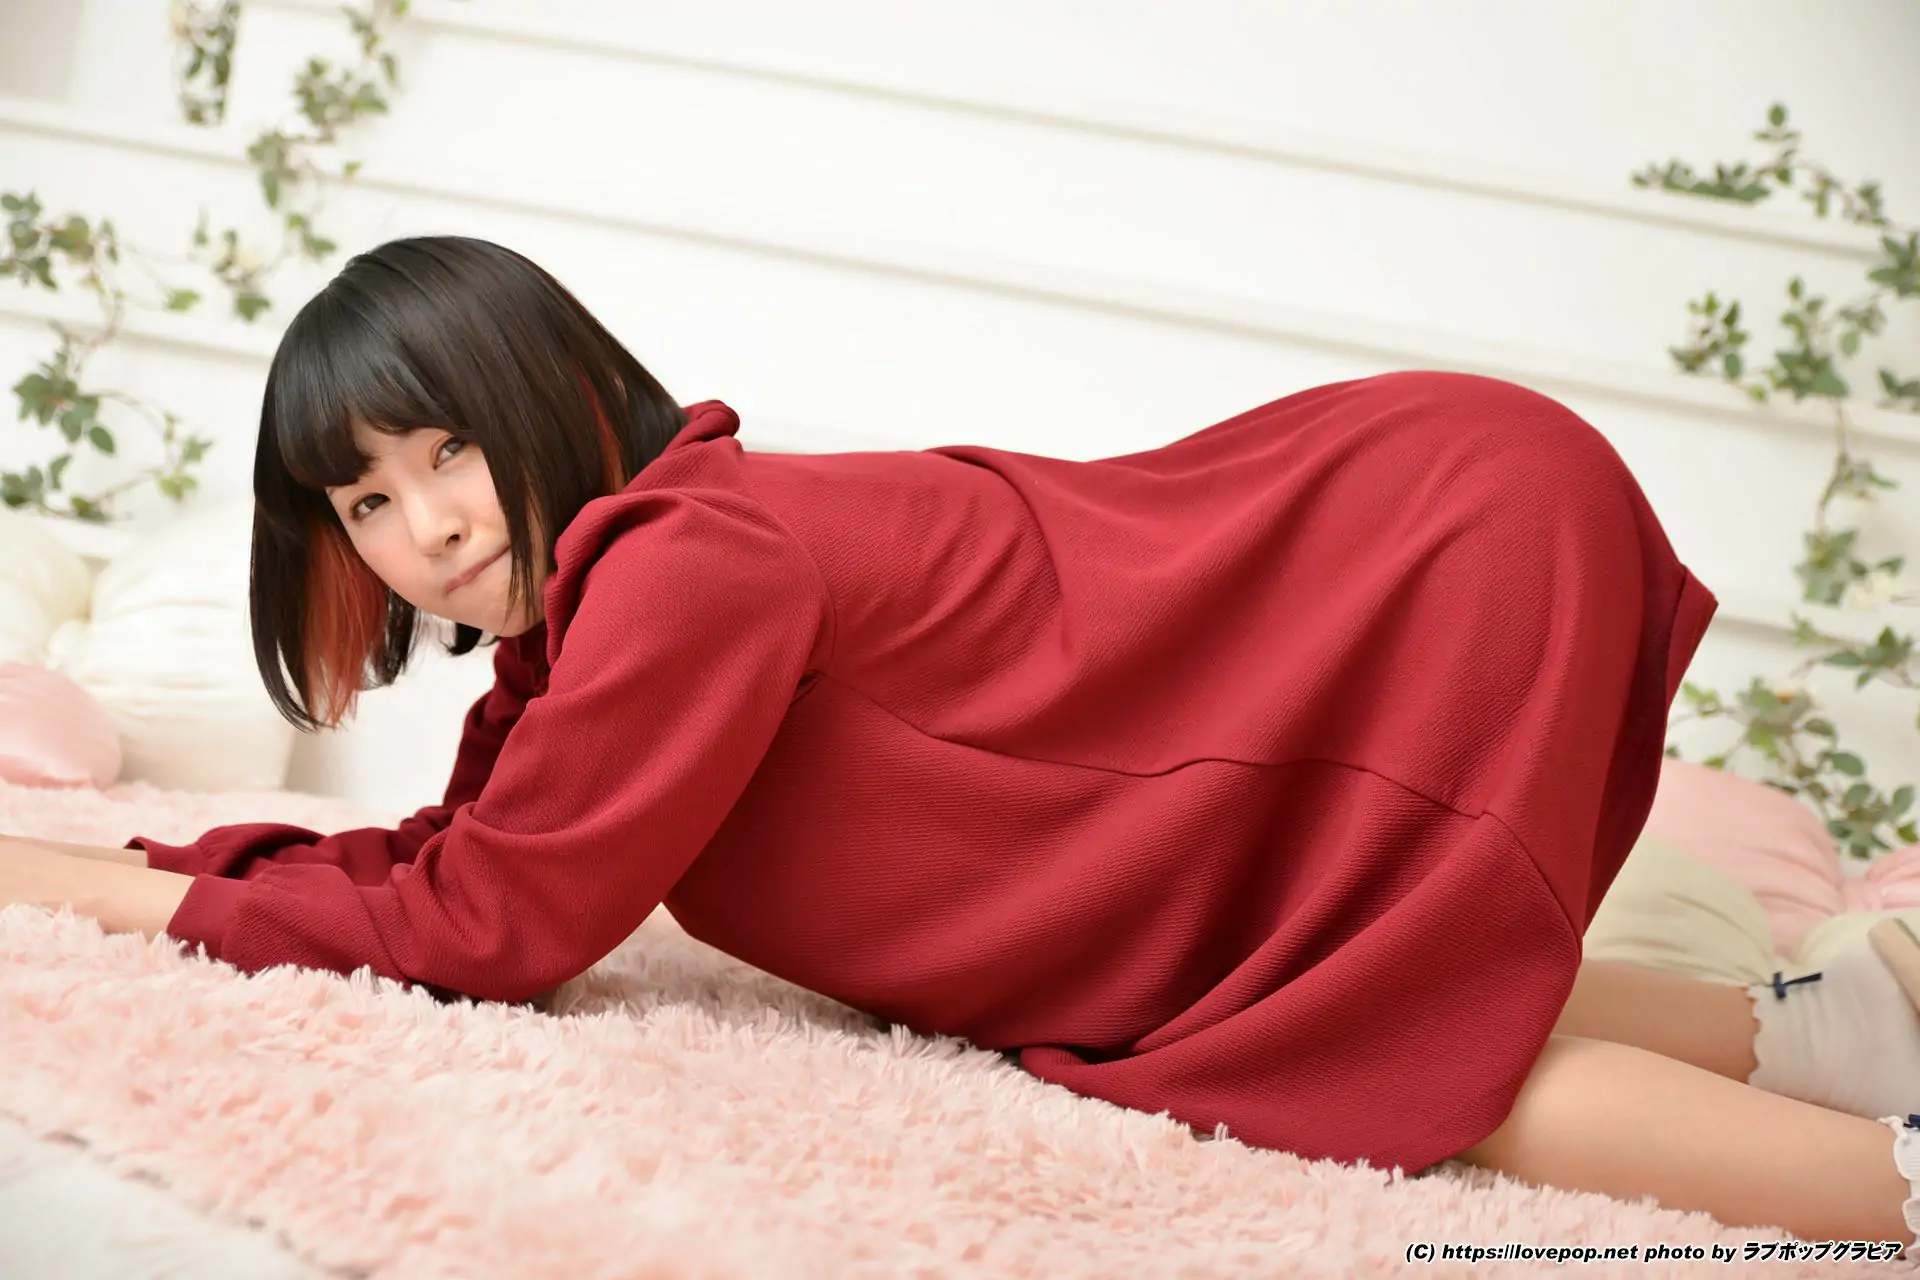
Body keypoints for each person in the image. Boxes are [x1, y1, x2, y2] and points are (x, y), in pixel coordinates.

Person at [5, 235, 1918, 1251]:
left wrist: (52, 878)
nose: (424, 525)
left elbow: (489, 932)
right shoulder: (596, 626)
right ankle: (1834, 1032)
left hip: (1419, 560)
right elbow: (455, 865)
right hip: (1415, 527)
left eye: (451, 449)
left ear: (561, 394)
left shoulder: (684, 564)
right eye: (364, 500)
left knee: (1396, 1061)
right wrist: (156, 860)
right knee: (1391, 998)